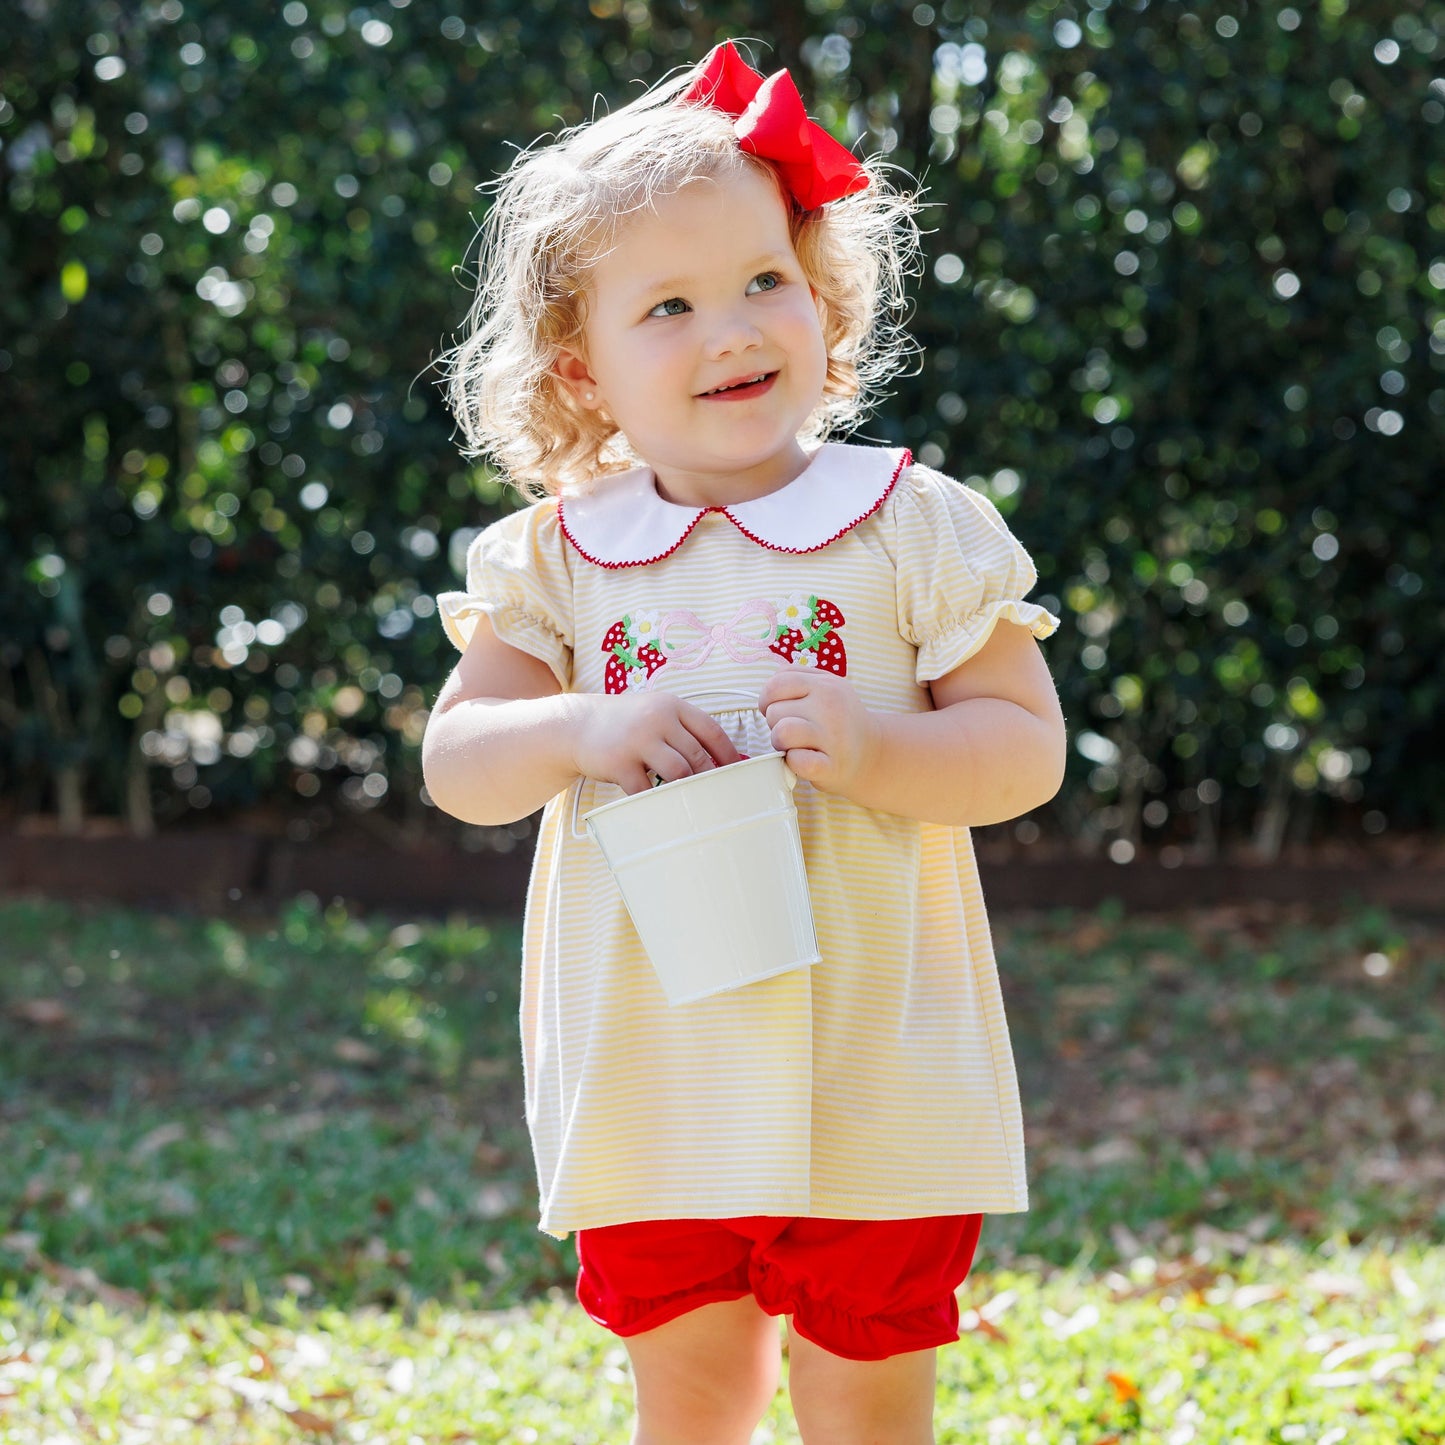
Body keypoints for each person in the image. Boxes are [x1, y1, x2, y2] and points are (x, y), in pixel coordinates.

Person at [423, 40, 1067, 1445]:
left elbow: (1024, 745)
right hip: (659, 1071)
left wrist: (884, 751)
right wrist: (582, 723)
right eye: (670, 304)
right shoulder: (558, 560)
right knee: (694, 1401)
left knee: (865, 1400)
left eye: (765, 281)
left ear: (822, 300)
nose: (733, 329)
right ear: (581, 368)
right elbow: (461, 761)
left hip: (875, 1062)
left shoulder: (910, 523)